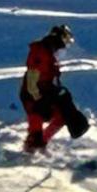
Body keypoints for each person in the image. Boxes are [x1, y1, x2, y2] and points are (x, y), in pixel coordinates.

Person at [19, 24, 76, 152]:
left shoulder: (50, 54)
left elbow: (52, 77)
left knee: (62, 116)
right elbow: (32, 78)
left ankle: (40, 143)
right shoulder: (40, 52)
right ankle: (32, 148)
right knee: (36, 126)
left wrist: (59, 92)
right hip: (32, 96)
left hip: (46, 93)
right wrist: (37, 97)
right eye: (65, 42)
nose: (65, 47)